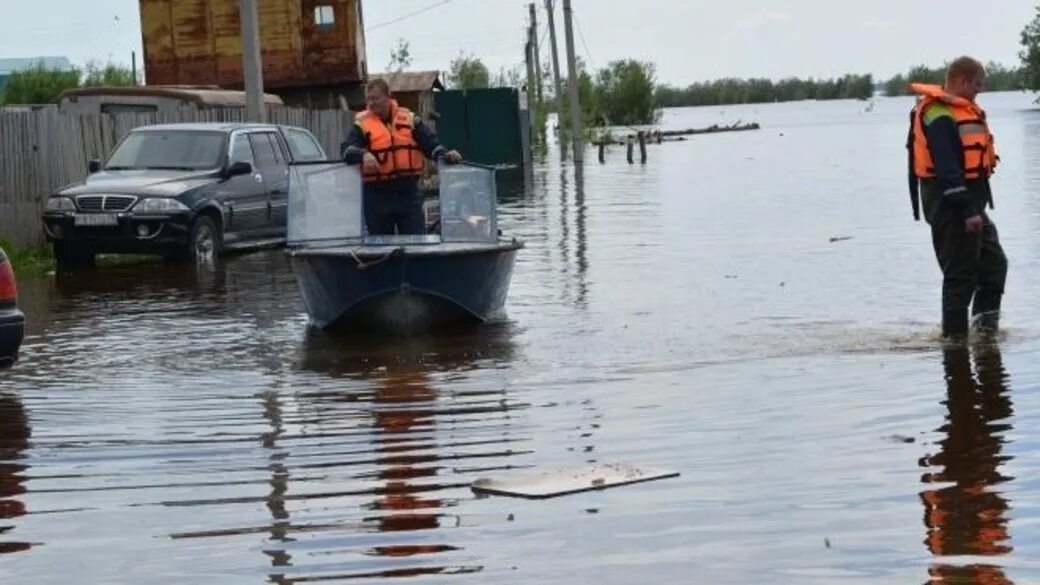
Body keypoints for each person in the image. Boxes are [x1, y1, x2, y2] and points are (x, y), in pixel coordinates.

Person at [907, 56, 1007, 342]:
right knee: (959, 278)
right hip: (951, 205)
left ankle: (985, 335)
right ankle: (954, 343)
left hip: (970, 205)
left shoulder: (957, 109)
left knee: (994, 265)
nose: (979, 91)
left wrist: (974, 208)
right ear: (962, 81)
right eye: (977, 84)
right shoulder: (938, 113)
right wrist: (967, 210)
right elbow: (947, 169)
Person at [341, 79, 462, 235]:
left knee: (417, 244)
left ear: (388, 96)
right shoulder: (362, 125)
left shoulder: (410, 120)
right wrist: (363, 154)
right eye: (368, 99)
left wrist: (445, 155)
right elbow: (346, 151)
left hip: (408, 194)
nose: (370, 103)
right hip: (377, 196)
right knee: (380, 248)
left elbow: (430, 145)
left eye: (375, 98)